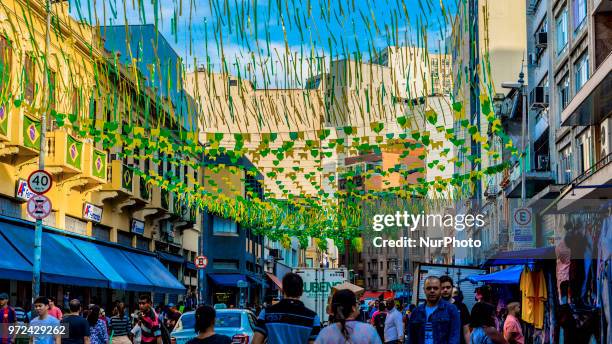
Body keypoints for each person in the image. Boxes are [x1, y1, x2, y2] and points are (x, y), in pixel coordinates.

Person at [253, 273, 320, 344]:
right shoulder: (313, 318)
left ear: (282, 290)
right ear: (301, 292)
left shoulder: (266, 313)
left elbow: (255, 342)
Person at [314, 289, 381, 344]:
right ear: (353, 307)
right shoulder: (368, 330)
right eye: (357, 303)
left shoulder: (325, 333)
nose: (358, 305)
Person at [407, 276, 460, 344]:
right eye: (429, 288)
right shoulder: (416, 312)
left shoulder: (451, 309)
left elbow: (454, 337)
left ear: (440, 289)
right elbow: (411, 339)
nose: (432, 291)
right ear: (424, 290)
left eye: (435, 288)